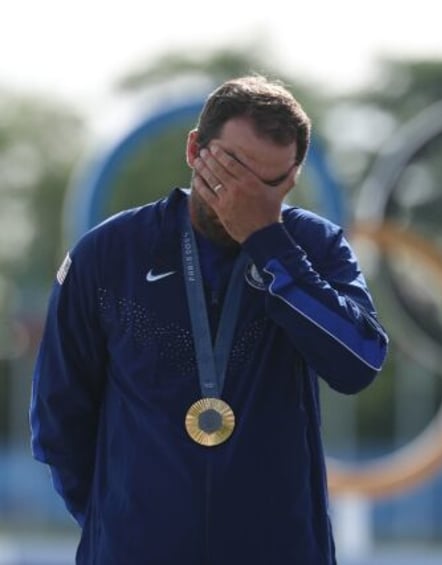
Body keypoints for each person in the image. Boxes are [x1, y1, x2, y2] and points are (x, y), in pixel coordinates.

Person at [29, 75, 389, 564]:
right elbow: (58, 418)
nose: (244, 195)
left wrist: (268, 241)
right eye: (232, 168)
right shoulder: (109, 253)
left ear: (294, 178)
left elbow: (358, 361)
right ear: (195, 149)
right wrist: (120, 520)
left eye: (269, 184)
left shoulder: (313, 245)